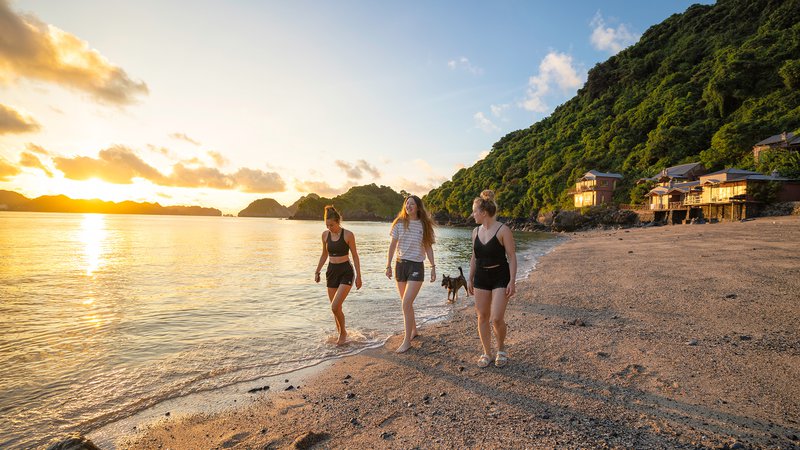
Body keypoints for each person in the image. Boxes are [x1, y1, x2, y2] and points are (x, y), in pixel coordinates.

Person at [468, 190, 517, 368]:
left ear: (483, 212)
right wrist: (469, 278)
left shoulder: (503, 230)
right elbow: (474, 257)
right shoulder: (475, 232)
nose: (472, 214)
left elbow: (511, 256)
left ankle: (501, 349)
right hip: (481, 277)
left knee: (496, 318)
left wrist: (512, 281)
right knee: (482, 317)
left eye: (474, 211)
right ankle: (487, 352)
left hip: (500, 276)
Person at [385, 195, 436, 353]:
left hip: (416, 266)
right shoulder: (399, 223)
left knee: (406, 303)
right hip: (400, 265)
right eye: (407, 204)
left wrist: (433, 266)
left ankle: (406, 341)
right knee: (406, 303)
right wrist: (388, 265)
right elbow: (392, 246)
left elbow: (428, 247)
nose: (408, 206)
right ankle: (413, 331)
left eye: (412, 204)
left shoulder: (424, 225)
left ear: (418, 207)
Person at [314, 205, 362, 345]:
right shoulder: (325, 235)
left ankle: (343, 333)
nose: (330, 228)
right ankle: (340, 334)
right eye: (327, 225)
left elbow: (355, 256)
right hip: (331, 271)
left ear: (338, 222)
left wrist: (359, 276)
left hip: (346, 271)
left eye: (332, 225)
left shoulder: (348, 235)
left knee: (334, 306)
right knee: (336, 309)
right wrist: (317, 271)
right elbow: (324, 255)